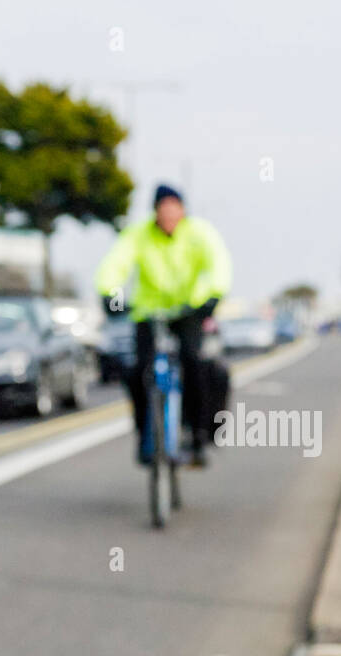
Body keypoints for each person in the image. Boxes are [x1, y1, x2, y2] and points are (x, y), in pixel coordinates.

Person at [95, 185, 231, 466]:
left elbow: (219, 264)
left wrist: (213, 296)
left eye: (174, 209)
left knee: (194, 363)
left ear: (183, 210)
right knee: (137, 372)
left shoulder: (199, 233)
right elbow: (115, 265)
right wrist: (110, 293)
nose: (169, 215)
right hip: (148, 313)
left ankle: (197, 436)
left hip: (188, 311)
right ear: (155, 211)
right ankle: (146, 436)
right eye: (163, 209)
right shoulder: (138, 234)